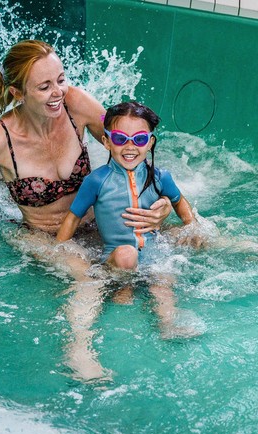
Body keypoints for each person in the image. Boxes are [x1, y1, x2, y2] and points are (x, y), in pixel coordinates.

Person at [0, 40, 193, 382]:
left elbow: (128, 145)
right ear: (17, 93)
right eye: (44, 86)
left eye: (61, 79)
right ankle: (79, 353)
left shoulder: (77, 105)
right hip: (43, 235)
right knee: (86, 276)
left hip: (99, 221)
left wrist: (160, 204)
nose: (58, 92)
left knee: (192, 235)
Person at [56, 101, 203, 355]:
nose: (130, 146)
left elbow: (179, 202)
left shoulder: (160, 176)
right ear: (106, 142)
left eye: (139, 138)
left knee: (163, 280)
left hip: (153, 253)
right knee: (127, 255)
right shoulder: (97, 180)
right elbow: (72, 217)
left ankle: (167, 324)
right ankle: (123, 287)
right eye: (121, 138)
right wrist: (59, 250)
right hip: (116, 256)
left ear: (151, 142)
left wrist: (192, 226)